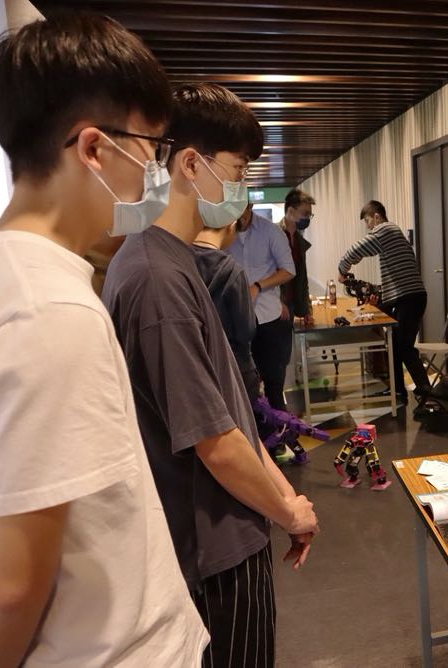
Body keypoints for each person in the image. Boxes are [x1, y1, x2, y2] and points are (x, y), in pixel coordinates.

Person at [0, 13, 208, 666]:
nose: (155, 175)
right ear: (95, 150)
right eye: (151, 150)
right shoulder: (47, 310)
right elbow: (10, 588)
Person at [102, 82, 318, 667]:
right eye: (238, 170)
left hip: (232, 532)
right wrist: (287, 511)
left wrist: (284, 495)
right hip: (212, 549)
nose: (241, 189)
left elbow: (231, 410)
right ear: (191, 165)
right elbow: (215, 441)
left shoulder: (175, 263)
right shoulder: (156, 278)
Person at [338, 200, 431, 402]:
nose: (369, 227)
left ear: (377, 217)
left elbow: (356, 250)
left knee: (404, 346)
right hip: (407, 297)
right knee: (395, 345)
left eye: (368, 221)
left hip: (410, 298)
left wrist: (342, 270)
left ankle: (426, 392)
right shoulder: (392, 235)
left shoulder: (386, 229)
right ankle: (397, 390)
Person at [228, 202, 296, 410]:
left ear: (250, 207)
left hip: (268, 318)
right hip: (236, 319)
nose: (238, 220)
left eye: (242, 214)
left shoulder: (271, 232)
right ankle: (255, 428)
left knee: (274, 384)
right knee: (245, 385)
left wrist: (258, 286)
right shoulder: (223, 234)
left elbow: (288, 270)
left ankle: (278, 428)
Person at [192, 220, 260, 403]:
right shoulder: (232, 271)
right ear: (231, 225)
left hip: (195, 365)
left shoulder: (179, 262)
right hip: (233, 368)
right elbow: (246, 330)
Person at [280, 187, 316, 326]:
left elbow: (302, 278)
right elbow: (265, 274)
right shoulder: (273, 236)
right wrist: (277, 301)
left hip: (291, 305)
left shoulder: (299, 241)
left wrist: (307, 310)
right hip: (275, 307)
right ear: (290, 211)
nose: (307, 218)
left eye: (310, 215)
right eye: (305, 214)